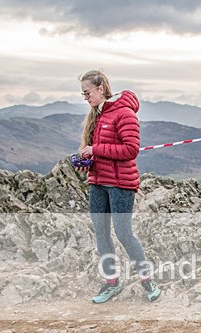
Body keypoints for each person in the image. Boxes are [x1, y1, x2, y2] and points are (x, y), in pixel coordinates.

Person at [76, 69, 161, 303]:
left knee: (124, 233)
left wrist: (95, 150)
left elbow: (130, 150)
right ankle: (111, 283)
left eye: (87, 93)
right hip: (98, 182)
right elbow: (102, 150)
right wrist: (87, 162)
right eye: (83, 95)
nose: (86, 98)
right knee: (101, 234)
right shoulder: (97, 115)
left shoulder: (124, 113)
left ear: (101, 88)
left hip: (121, 183)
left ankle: (148, 281)